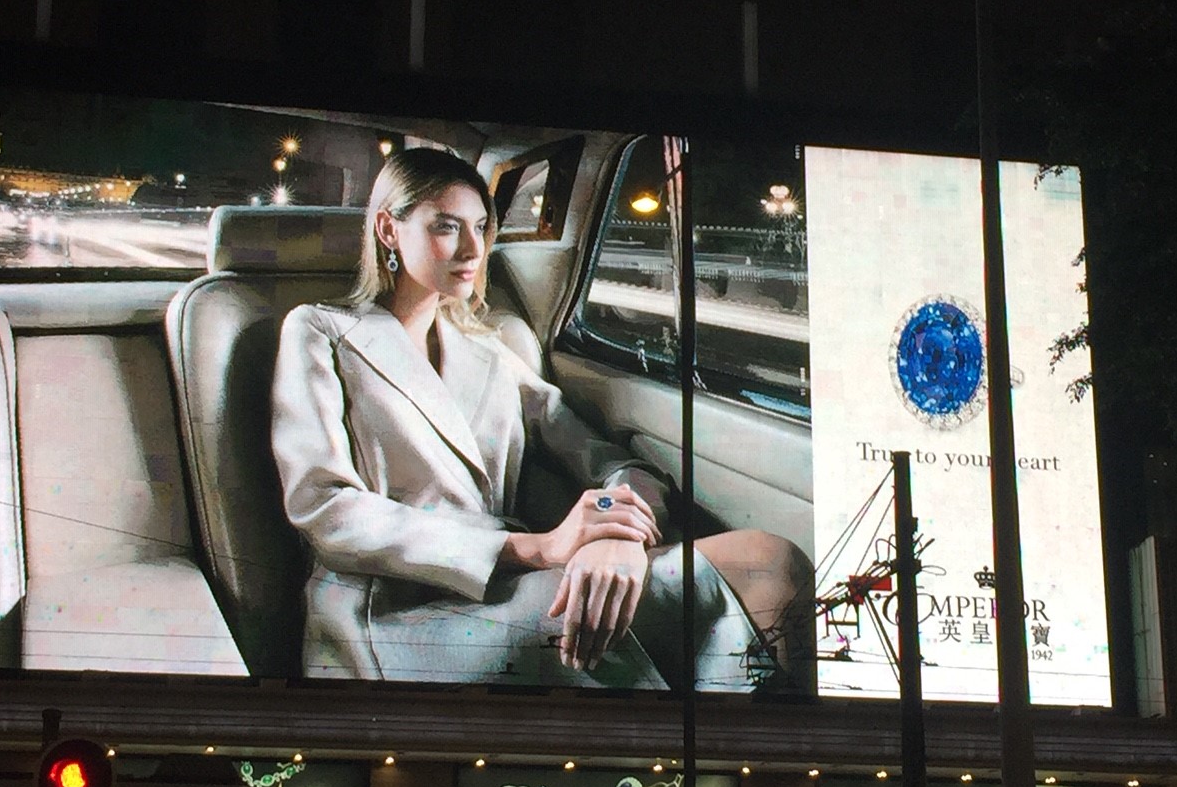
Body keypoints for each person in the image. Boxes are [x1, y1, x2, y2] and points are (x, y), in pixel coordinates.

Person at [270, 147, 813, 689]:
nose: (473, 249)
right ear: (389, 229)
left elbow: (610, 462)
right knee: (603, 617)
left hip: (510, 587)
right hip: (394, 613)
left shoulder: (490, 350)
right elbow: (324, 508)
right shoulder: (321, 331)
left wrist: (614, 535)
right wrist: (537, 548)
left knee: (770, 564)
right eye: (446, 227)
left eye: (480, 227)